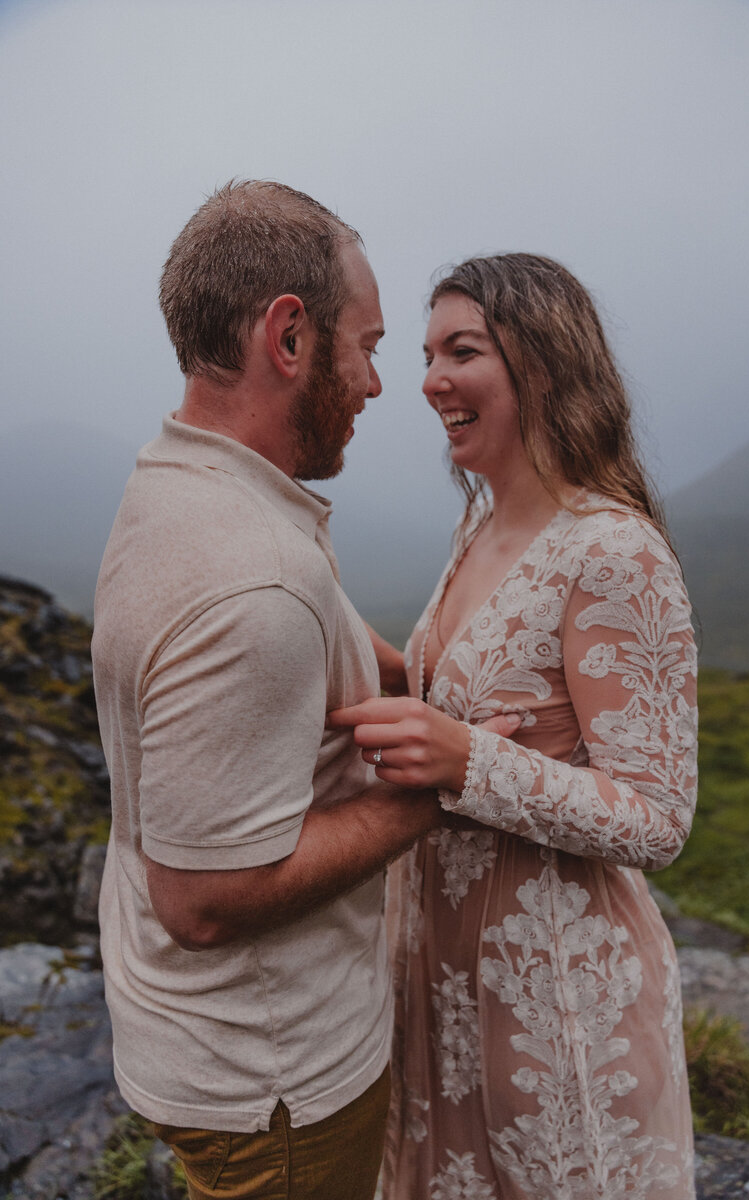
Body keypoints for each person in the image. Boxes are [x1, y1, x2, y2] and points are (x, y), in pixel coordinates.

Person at [92, 182, 518, 1200]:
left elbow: (310, 615)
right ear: (288, 337)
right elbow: (202, 899)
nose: (380, 383)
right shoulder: (251, 581)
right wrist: (440, 785)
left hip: (197, 1039)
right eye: (366, 345)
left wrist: (434, 676)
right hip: (273, 1078)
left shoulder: (184, 479)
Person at [330, 254, 699, 1199]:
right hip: (445, 993)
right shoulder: (480, 531)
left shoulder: (613, 550)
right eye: (425, 355)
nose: (429, 381)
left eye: (463, 350)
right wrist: (333, 638)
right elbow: (473, 699)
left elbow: (657, 816)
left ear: (542, 361)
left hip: (560, 1008)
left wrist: (469, 762)